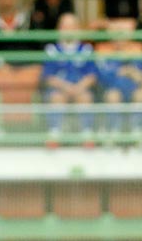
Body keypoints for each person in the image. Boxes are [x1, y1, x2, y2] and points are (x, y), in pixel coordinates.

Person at [40, 13, 98, 143]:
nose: (68, 30)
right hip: (60, 89)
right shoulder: (52, 50)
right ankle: (55, 134)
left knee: (85, 97)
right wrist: (66, 87)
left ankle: (87, 134)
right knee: (56, 98)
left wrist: (79, 87)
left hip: (80, 88)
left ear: (78, 29)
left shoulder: (86, 49)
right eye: (65, 27)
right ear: (59, 29)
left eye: (72, 27)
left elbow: (92, 75)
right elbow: (48, 77)